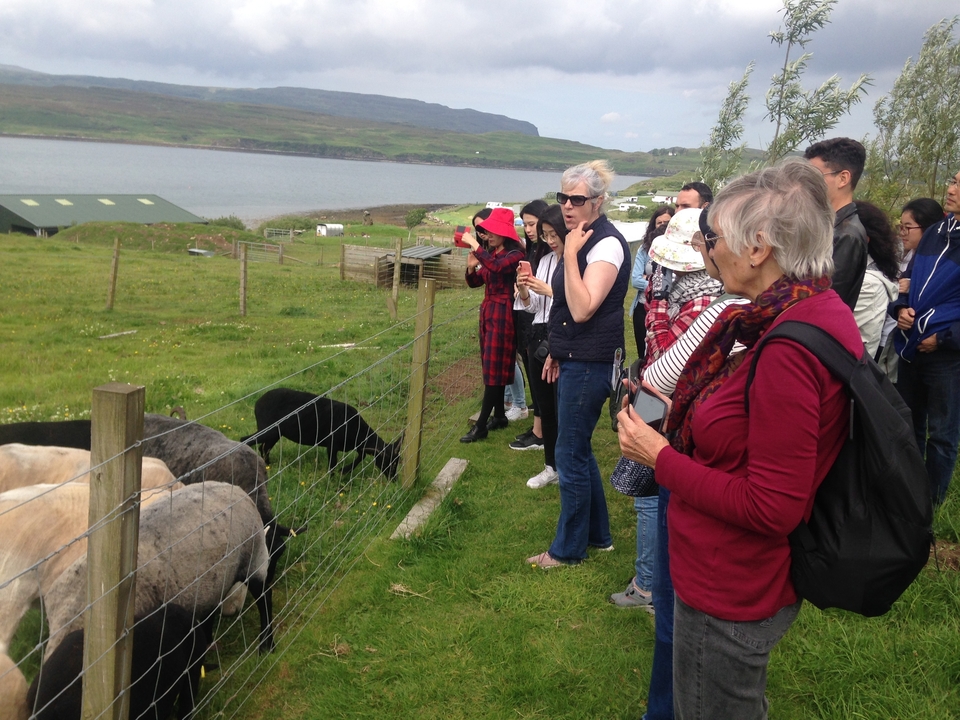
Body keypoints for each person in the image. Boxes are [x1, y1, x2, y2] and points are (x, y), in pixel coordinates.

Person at [617, 159, 862, 718]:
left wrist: (660, 457)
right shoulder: (804, 310)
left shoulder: (788, 347)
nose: (708, 253)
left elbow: (772, 505)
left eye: (714, 239)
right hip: (730, 570)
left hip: (731, 582)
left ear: (757, 248)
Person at [609, 207, 723, 613]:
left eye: (670, 269)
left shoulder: (705, 307)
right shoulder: (690, 297)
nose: (662, 277)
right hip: (661, 402)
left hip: (670, 411)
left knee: (654, 497)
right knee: (655, 496)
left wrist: (647, 382)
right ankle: (655, 583)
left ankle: (650, 587)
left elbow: (667, 359)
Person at [526, 160, 629, 568]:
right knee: (579, 451)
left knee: (568, 454)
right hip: (577, 357)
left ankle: (567, 550)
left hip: (590, 364)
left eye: (577, 199)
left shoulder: (605, 244)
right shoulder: (581, 237)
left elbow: (583, 307)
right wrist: (556, 348)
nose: (567, 206)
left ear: (598, 202)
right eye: (562, 197)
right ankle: (599, 536)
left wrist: (570, 255)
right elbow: (565, 308)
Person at [890, 170, 960, 506]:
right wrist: (901, 310)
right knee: (909, 424)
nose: (951, 188)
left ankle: (931, 504)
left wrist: (946, 339)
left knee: (943, 435)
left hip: (946, 355)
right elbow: (909, 282)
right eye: (953, 180)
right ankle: (909, 496)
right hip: (911, 348)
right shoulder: (935, 234)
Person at [460, 207, 525, 443]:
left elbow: (497, 269)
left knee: (494, 368)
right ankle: (499, 415)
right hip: (489, 312)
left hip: (503, 312)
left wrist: (476, 248)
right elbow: (476, 281)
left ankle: (481, 426)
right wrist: (470, 266)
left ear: (505, 233)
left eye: (494, 231)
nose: (489, 235)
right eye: (488, 231)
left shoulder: (514, 255)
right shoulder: (494, 253)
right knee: (491, 366)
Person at [515, 204, 566, 487]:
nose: (550, 240)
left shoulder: (575, 261)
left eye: (554, 233)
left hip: (560, 334)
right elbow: (534, 306)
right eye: (546, 235)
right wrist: (524, 290)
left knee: (561, 407)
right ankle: (551, 466)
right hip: (538, 333)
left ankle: (564, 465)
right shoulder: (546, 261)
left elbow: (579, 302)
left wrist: (549, 290)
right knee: (545, 405)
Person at [876, 198, 944, 379]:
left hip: (932, 349)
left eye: (908, 227)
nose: (902, 233)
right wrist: (900, 308)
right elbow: (898, 295)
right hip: (899, 339)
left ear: (928, 228)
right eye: (901, 227)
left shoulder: (941, 261)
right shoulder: (909, 255)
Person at [803, 137, 868, 310]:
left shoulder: (848, 235)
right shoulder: (828, 226)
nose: (806, 183)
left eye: (814, 176)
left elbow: (823, 301)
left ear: (843, 178)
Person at [508, 200, 549, 435]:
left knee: (539, 370)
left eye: (532, 224)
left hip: (541, 316)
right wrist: (520, 286)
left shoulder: (547, 250)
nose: (529, 230)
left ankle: (540, 430)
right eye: (525, 225)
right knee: (530, 362)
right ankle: (538, 422)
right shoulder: (532, 249)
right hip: (527, 312)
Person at [851, 200, 900, 357]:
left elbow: (832, 327)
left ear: (865, 239)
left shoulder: (868, 284)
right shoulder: (861, 268)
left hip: (849, 367)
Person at [630, 206, 674, 360]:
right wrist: (660, 285)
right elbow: (635, 280)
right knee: (642, 354)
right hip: (642, 308)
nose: (662, 225)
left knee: (662, 352)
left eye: (666, 222)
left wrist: (648, 279)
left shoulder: (677, 250)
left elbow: (675, 281)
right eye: (658, 222)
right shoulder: (644, 248)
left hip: (667, 308)